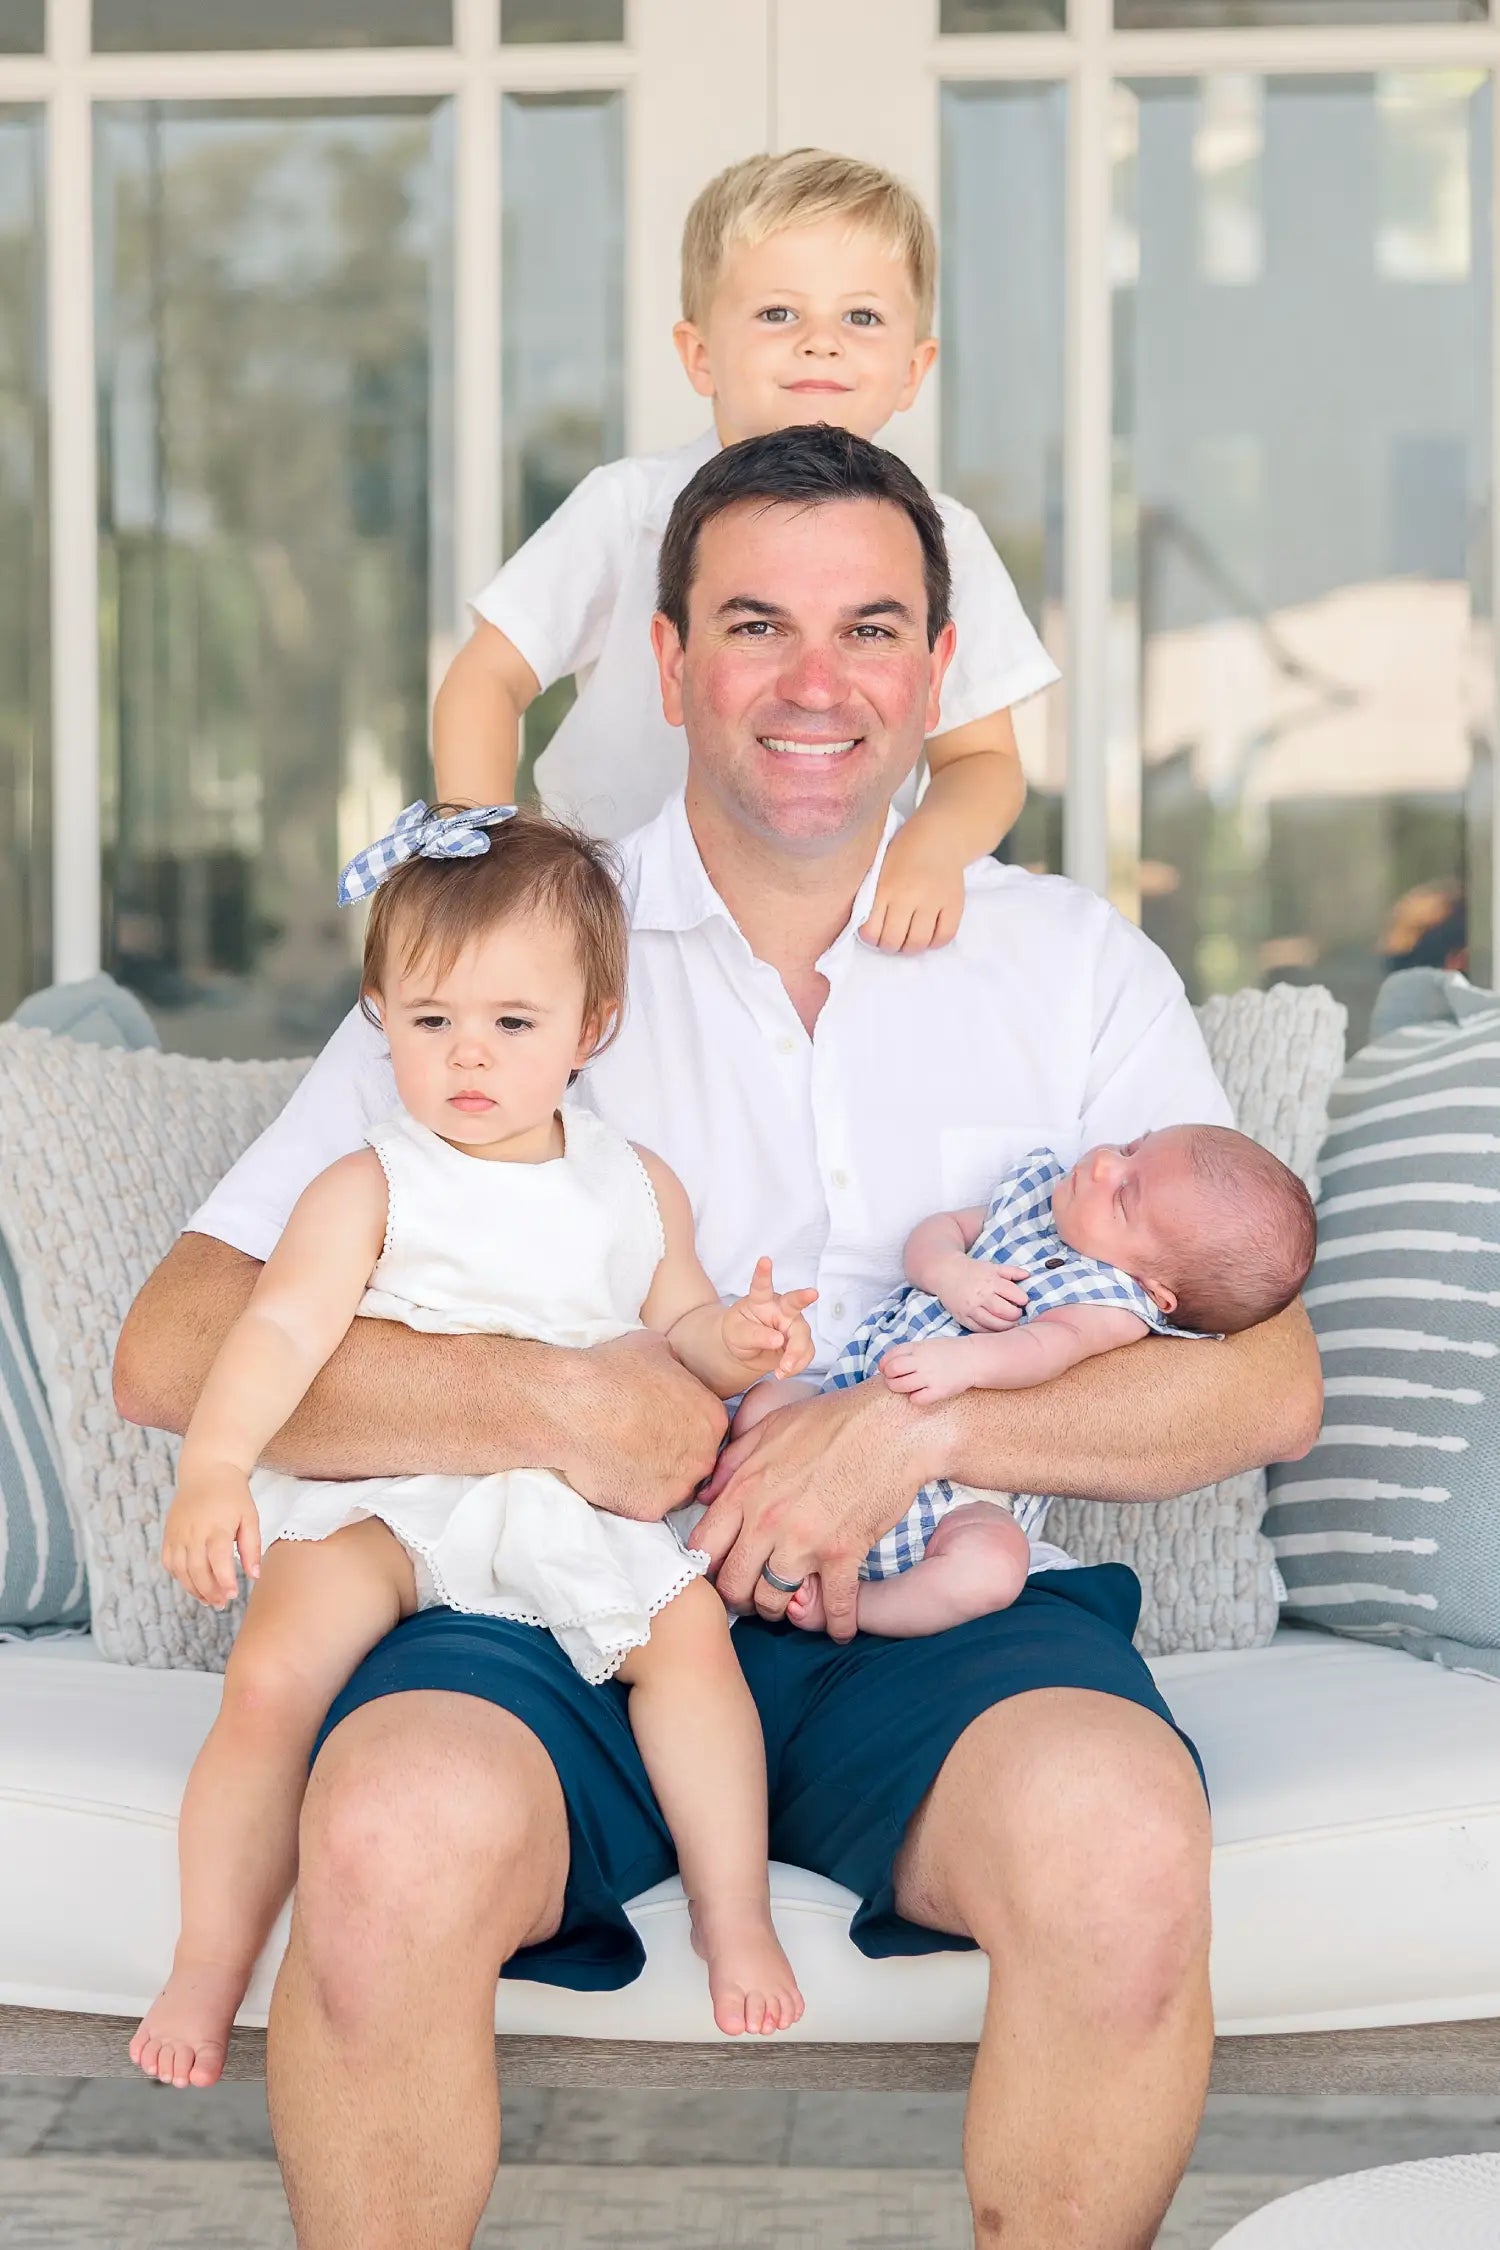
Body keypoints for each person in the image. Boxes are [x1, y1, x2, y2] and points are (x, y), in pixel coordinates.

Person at [115, 425, 1322, 2250]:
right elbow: (174, 1343)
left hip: (928, 1620)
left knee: (1123, 1837)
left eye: (871, 630)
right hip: (548, 1597)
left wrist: (912, 1433)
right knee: (385, 1832)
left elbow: (1269, 1378)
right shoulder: (512, 942)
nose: (816, 683)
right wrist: (552, 1402)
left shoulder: (1072, 966)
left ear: (938, 670)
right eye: (758, 625)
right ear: (670, 664)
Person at [130, 807, 814, 2090]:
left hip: (562, 1500)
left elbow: (680, 1326)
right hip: (386, 1495)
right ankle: (207, 1964)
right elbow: (277, 1332)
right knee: (273, 1678)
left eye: (512, 1022)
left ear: (591, 1027)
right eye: (431, 1019)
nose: (469, 1057)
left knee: (693, 1651)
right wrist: (213, 1469)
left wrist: (742, 1338)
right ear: (380, 1017)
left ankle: (735, 1915)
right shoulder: (369, 1182)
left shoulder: (635, 1183)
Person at [434, 147, 1058, 951]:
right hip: (611, 917)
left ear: (914, 368)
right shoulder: (626, 508)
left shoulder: (945, 539)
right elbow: (485, 680)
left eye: (862, 317)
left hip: (829, 921)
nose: (821, 343)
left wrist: (930, 850)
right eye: (778, 314)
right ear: (699, 355)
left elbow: (982, 760)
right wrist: (481, 855)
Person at [730, 1126, 1318, 1637]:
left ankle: (854, 1607)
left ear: (1158, 1289)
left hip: (962, 1496)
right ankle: (736, 1520)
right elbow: (938, 1230)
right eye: (1130, 1148)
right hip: (846, 1395)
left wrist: (965, 1363)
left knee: (991, 1569)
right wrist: (950, 1270)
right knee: (765, 1405)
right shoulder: (1034, 1198)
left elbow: (1042, 1350)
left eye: (1124, 1197)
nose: (1102, 1165)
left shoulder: (1113, 1303)